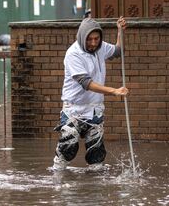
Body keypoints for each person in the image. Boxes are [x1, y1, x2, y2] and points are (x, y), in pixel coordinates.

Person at [53, 16, 129, 170]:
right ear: (82, 38)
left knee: (96, 155)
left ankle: (95, 189)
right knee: (68, 146)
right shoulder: (73, 54)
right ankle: (58, 181)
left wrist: (120, 32)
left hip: (95, 109)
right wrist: (114, 91)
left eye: (96, 39)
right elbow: (86, 83)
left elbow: (118, 51)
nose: (93, 43)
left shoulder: (100, 47)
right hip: (73, 110)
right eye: (89, 39)